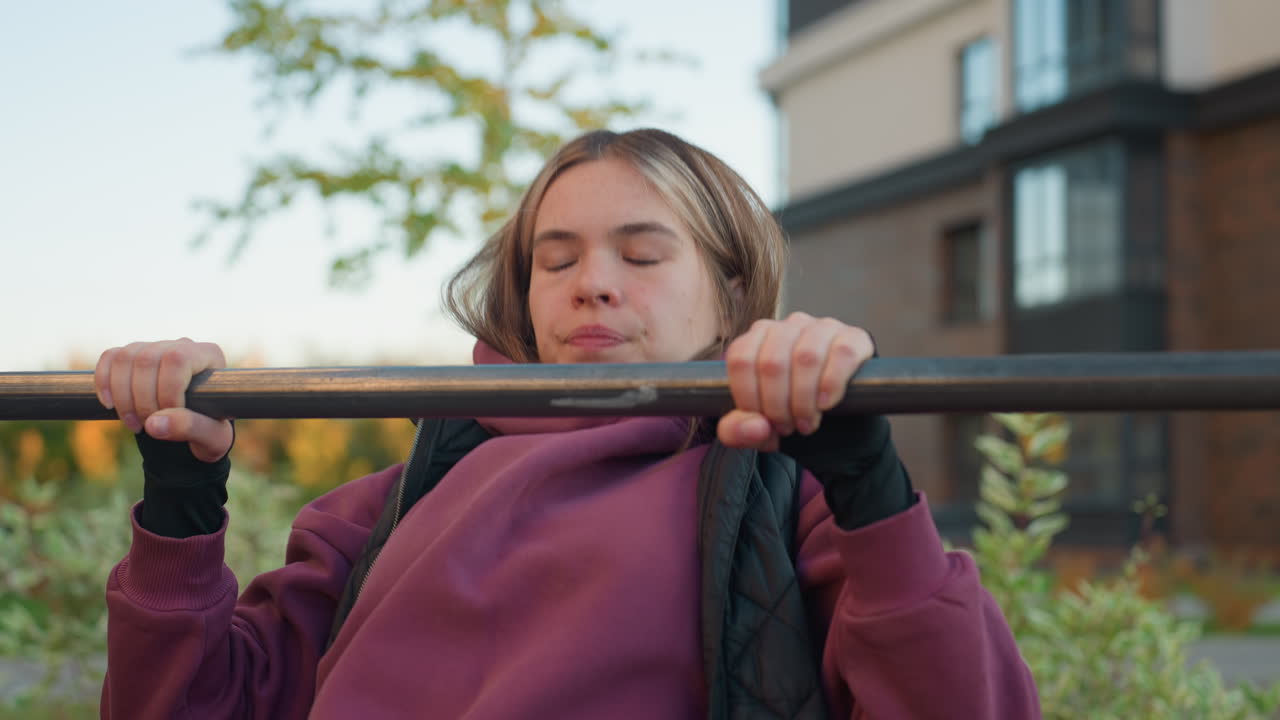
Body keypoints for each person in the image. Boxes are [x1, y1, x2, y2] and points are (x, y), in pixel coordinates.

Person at [95, 128, 1041, 719]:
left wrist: (873, 494)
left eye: (641, 254)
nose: (592, 282)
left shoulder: (795, 496)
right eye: (556, 260)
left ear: (732, 291)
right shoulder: (389, 501)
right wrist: (181, 502)